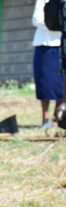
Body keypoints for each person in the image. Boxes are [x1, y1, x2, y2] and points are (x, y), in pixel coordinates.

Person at [33, 0, 64, 129]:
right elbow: (36, 19)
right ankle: (45, 119)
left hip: (62, 44)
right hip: (45, 45)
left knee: (61, 83)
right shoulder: (43, 0)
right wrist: (55, 25)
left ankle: (58, 117)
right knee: (45, 83)